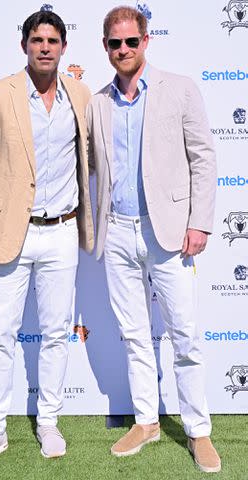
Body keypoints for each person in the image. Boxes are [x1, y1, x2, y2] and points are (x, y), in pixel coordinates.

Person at [86, 6, 220, 473]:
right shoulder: (97, 102)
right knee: (135, 335)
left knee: (184, 335)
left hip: (169, 232)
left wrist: (199, 221)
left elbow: (203, 157)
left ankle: (198, 429)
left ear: (146, 40)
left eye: (130, 41)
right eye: (114, 43)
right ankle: (146, 421)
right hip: (118, 232)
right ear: (105, 47)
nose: (123, 50)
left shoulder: (179, 88)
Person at [0, 10, 94, 468]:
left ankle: (48, 420)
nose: (44, 47)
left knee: (56, 333)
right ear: (24, 45)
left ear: (63, 47)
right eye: (37, 39)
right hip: (9, 230)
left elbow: (92, 160)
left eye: (52, 40)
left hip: (62, 231)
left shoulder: (80, 95)